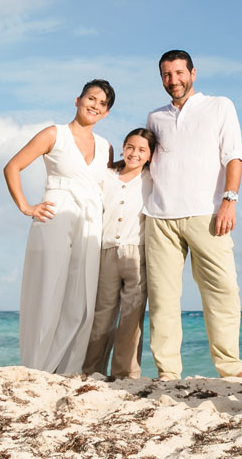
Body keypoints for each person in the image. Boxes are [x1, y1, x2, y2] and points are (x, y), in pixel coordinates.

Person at [143, 49, 242, 380]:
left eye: (178, 73)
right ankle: (168, 372)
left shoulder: (220, 105)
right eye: (166, 75)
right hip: (160, 217)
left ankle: (230, 369)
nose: (173, 80)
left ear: (193, 73)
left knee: (223, 291)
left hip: (208, 214)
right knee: (162, 299)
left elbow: (234, 156)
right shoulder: (154, 117)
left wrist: (229, 201)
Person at [4, 79, 115, 374]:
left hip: (91, 220)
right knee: (47, 290)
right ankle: (35, 368)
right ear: (77, 100)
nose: (95, 106)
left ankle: (68, 369)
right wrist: (26, 207)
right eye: (91, 99)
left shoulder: (106, 147)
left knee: (82, 297)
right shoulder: (55, 134)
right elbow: (12, 166)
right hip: (55, 214)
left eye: (102, 104)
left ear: (105, 114)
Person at [83, 128, 156, 378]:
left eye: (141, 150)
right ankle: (91, 369)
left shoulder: (152, 178)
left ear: (149, 155)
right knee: (101, 317)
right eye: (130, 147)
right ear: (123, 148)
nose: (134, 153)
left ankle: (125, 373)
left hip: (137, 253)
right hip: (106, 252)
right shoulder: (106, 176)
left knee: (131, 318)